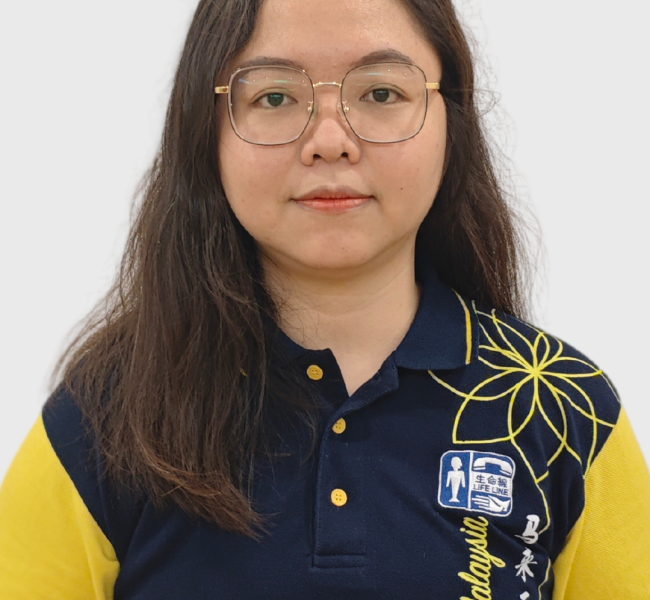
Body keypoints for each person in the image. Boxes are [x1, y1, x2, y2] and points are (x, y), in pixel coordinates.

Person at [0, 0, 649, 598]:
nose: (330, 140)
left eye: (382, 93)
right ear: (207, 130)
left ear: (451, 119)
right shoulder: (105, 416)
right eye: (276, 96)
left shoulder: (564, 410)